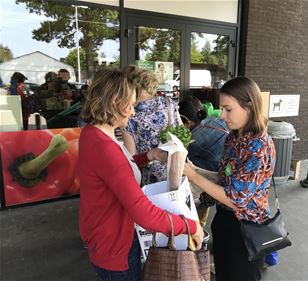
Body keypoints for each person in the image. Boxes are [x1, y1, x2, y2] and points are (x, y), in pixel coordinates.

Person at [78, 67, 203, 281]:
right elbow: (144, 214)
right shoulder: (104, 147)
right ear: (114, 102)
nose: (133, 112)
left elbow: (115, 171)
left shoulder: (92, 133)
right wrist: (191, 227)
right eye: (130, 105)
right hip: (116, 246)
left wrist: (150, 155)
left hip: (105, 237)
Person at [183, 76, 275, 281]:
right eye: (221, 109)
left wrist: (194, 178)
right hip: (226, 222)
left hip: (247, 232)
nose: (222, 115)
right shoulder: (234, 137)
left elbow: (235, 198)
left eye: (228, 109)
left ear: (249, 106)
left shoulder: (259, 146)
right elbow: (226, 178)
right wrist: (195, 170)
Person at [122, 65, 182, 185]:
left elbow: (131, 161)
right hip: (176, 170)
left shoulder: (128, 114)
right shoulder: (168, 103)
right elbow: (182, 135)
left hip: (150, 178)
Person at [179, 95, 229, 225]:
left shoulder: (193, 140)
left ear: (187, 122)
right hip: (226, 174)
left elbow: (182, 158)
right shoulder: (216, 120)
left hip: (213, 181)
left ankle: (198, 228)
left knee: (198, 206)